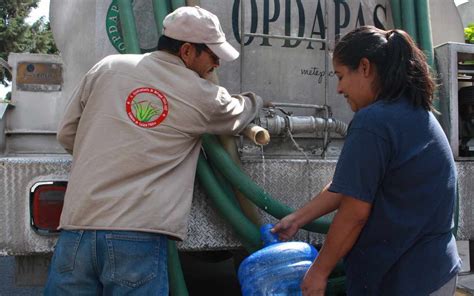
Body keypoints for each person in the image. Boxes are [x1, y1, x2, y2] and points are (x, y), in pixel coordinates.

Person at [44, 6, 262, 295]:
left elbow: (67, 133)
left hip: (77, 229)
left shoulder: (107, 67)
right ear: (187, 51)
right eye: (213, 55)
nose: (217, 65)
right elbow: (238, 113)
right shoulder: (201, 94)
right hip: (137, 237)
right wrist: (256, 101)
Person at [272, 25, 461, 295]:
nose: (339, 89)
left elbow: (355, 212)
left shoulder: (373, 121)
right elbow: (348, 186)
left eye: (340, 76)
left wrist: (319, 271)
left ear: (364, 67)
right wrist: (298, 218)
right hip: (435, 273)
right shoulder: (415, 113)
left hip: (403, 280)